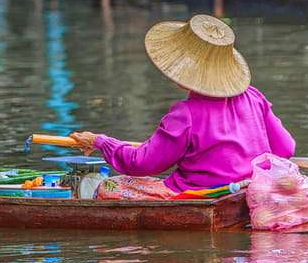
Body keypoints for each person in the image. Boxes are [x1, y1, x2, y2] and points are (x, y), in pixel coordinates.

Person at [68, 14, 295, 201]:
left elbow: (142, 162)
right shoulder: (254, 97)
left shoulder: (185, 114)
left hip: (200, 196)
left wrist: (101, 142)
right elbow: (286, 148)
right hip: (249, 191)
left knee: (108, 186)